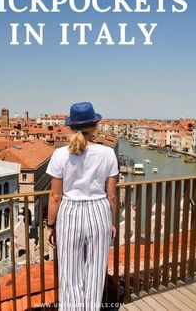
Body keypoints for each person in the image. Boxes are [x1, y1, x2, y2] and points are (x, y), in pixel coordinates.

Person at [46, 102, 119, 311]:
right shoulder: (107, 154)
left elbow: (55, 196)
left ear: (70, 127)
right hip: (98, 212)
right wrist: (111, 222)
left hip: (70, 213)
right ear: (95, 126)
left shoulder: (60, 154)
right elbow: (112, 195)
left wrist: (50, 225)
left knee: (70, 275)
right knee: (95, 274)